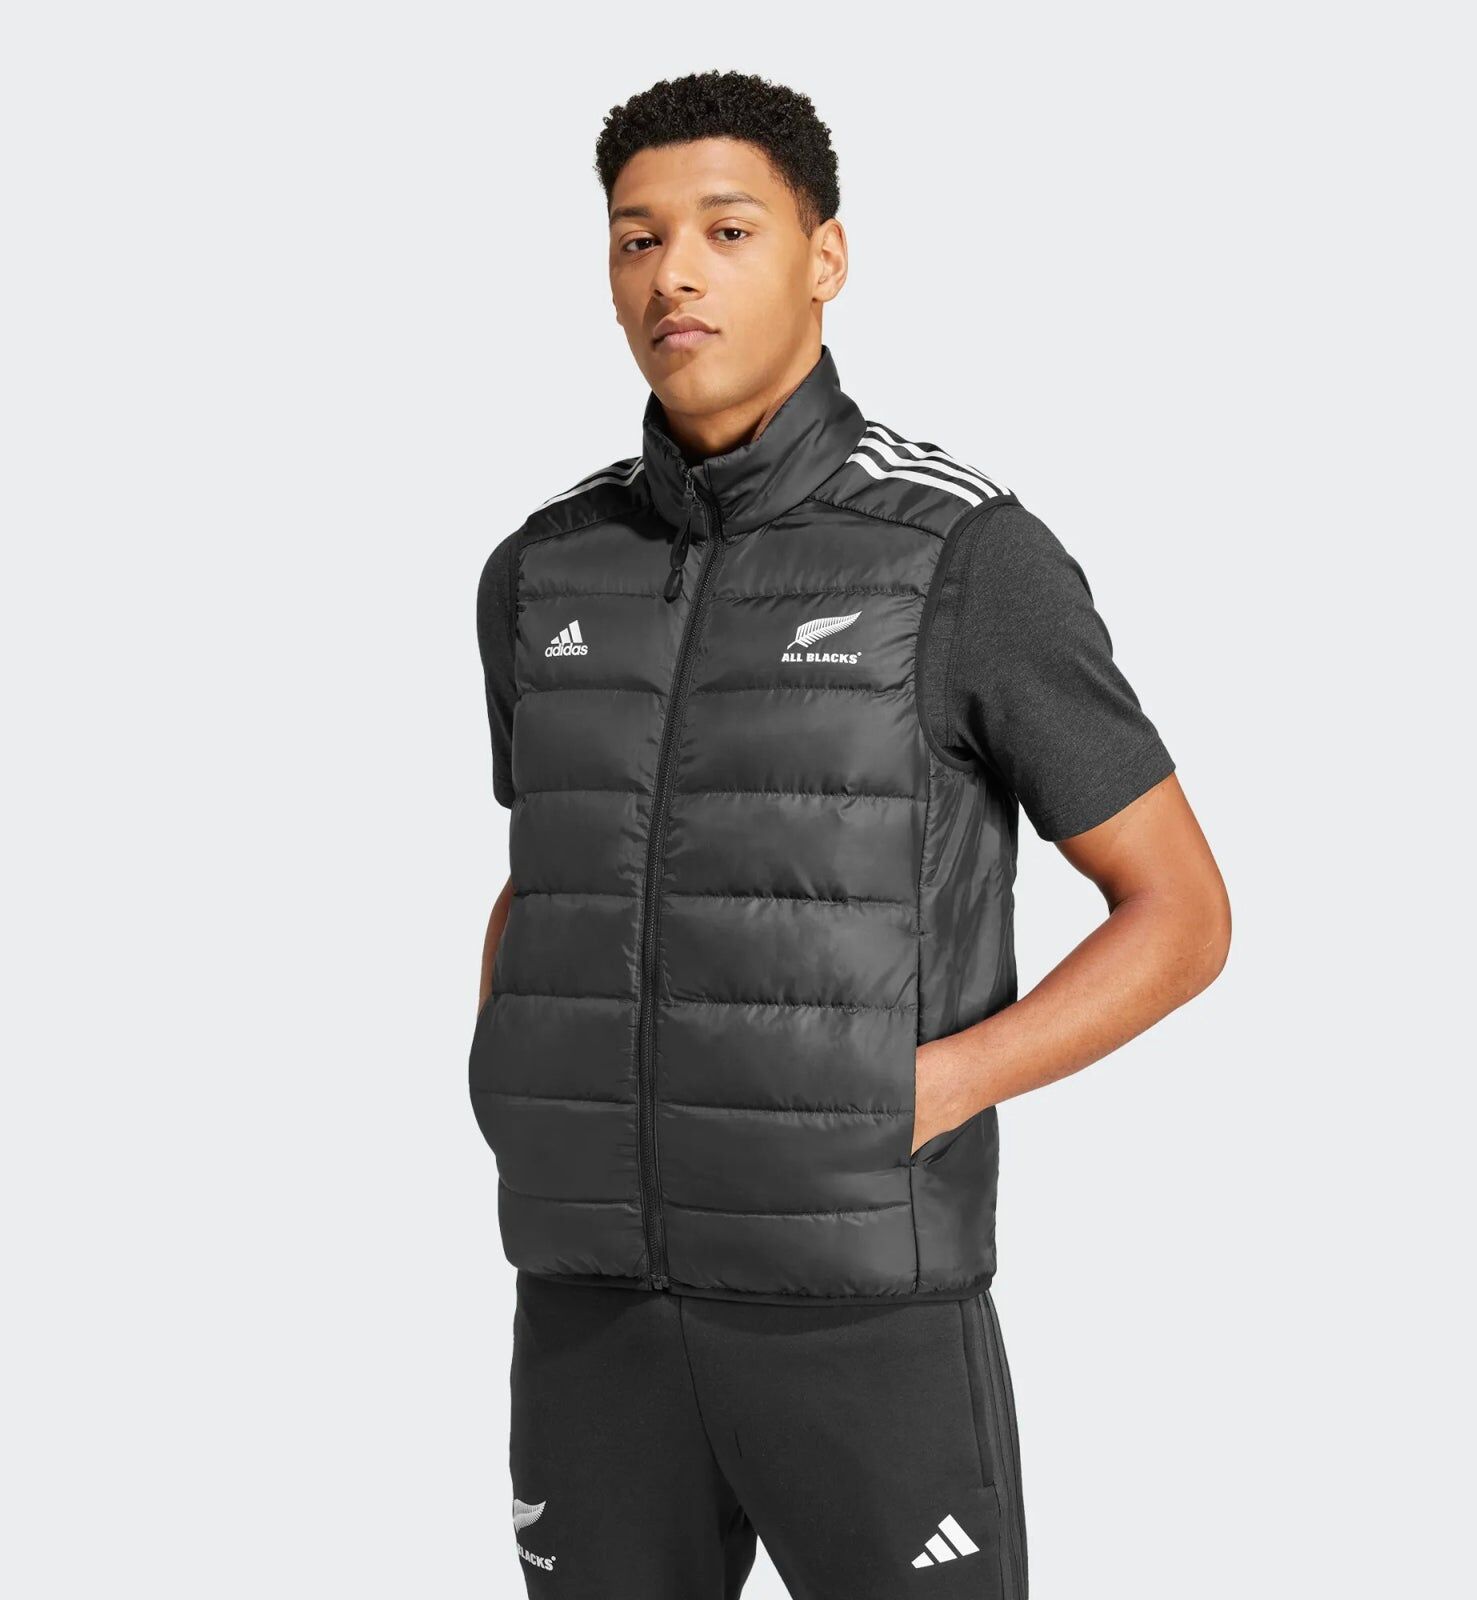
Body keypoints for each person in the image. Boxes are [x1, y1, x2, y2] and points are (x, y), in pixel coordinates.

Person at [471, 69, 1230, 1600]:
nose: (674, 276)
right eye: (636, 239)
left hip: (862, 1311)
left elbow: (1181, 913)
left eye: (727, 230)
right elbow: (546, 870)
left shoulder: (960, 556)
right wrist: (509, 1078)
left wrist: (939, 1087)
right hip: (589, 1306)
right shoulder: (546, 569)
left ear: (824, 256)